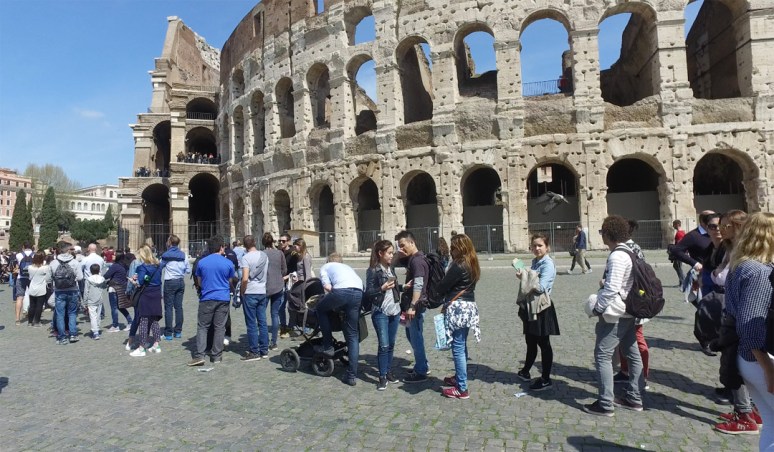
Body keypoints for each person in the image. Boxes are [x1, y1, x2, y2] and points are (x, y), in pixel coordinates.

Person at [583, 215, 644, 416]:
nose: (601, 235)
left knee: (602, 355)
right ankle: (634, 398)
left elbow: (611, 289)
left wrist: (597, 308)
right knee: (632, 353)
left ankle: (605, 403)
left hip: (616, 314)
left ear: (609, 233)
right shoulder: (630, 251)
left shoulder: (618, 255)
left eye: (602, 232)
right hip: (629, 312)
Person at [725, 212, 774, 449]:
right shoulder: (759, 272)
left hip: (747, 355)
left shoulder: (741, 264)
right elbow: (750, 322)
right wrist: (768, 368)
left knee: (772, 422)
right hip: (758, 358)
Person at [439, 234, 481, 399]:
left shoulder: (459, 265)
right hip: (468, 306)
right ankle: (459, 378)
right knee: (461, 345)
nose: (451, 250)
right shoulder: (472, 263)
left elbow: (443, 285)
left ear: (460, 248)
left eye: (453, 247)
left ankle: (462, 388)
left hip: (458, 307)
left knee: (457, 347)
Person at [516, 233, 559, 391]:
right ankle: (526, 371)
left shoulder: (547, 264)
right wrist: (524, 276)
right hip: (531, 305)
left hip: (541, 307)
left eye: (540, 245)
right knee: (530, 340)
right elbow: (531, 283)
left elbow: (540, 287)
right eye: (534, 245)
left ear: (547, 247)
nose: (536, 248)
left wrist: (526, 276)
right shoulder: (535, 261)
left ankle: (546, 378)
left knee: (544, 343)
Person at [314, 253, 364, 386]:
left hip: (342, 291)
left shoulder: (325, 266)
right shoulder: (347, 267)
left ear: (327, 260)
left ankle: (328, 345)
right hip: (358, 292)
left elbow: (327, 287)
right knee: (353, 335)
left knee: (320, 309)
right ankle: (352, 375)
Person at [188, 237, 237, 366]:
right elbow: (230, 281)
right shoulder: (228, 263)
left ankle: (200, 355)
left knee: (203, 327)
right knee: (220, 327)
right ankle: (216, 355)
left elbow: (199, 282)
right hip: (223, 297)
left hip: (207, 297)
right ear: (221, 247)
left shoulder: (202, 262)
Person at [615, 220, 651, 386]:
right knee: (623, 338)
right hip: (626, 300)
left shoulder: (632, 248)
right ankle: (625, 370)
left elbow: (639, 277)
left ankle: (642, 375)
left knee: (637, 337)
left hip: (634, 300)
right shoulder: (624, 248)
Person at [365, 240, 402, 390]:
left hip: (395, 310)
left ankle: (388, 372)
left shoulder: (390, 268)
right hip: (380, 311)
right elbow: (368, 292)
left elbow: (393, 288)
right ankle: (381, 376)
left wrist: (403, 287)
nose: (392, 255)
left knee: (391, 344)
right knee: (384, 344)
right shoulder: (373, 270)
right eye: (389, 253)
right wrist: (382, 288)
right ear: (380, 254)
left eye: (392, 252)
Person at [396, 230, 431, 383]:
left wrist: (412, 306)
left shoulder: (417, 261)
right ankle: (422, 364)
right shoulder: (413, 259)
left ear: (412, 242)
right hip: (415, 304)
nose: (401, 249)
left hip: (415, 306)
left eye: (403, 245)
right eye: (399, 246)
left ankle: (421, 371)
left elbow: (418, 284)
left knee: (416, 338)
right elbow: (395, 261)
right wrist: (400, 252)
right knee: (412, 336)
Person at [671, 210, 715, 297]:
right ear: (702, 221)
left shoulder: (716, 233)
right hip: (703, 277)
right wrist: (695, 263)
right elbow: (676, 250)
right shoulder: (693, 235)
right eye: (712, 218)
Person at [239, 235, 270, 362]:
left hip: (250, 292)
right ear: (255, 243)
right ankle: (264, 350)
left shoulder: (245, 258)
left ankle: (254, 351)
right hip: (262, 290)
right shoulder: (264, 256)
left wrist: (242, 290)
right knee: (262, 322)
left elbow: (245, 278)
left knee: (251, 323)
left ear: (245, 246)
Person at [130, 245, 163, 357]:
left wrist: (134, 281)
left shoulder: (142, 267)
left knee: (143, 319)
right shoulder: (158, 265)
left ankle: (142, 347)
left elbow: (140, 283)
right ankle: (156, 344)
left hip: (146, 294)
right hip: (156, 293)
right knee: (154, 319)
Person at [160, 235, 189, 340]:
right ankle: (178, 332)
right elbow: (188, 270)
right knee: (179, 307)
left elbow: (160, 267)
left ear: (170, 243)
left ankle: (168, 333)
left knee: (168, 308)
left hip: (170, 282)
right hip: (180, 281)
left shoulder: (166, 255)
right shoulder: (183, 255)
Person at [262, 233, 287, 350]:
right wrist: (278, 275)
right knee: (275, 314)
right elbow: (284, 269)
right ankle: (274, 342)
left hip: (265, 287)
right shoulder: (279, 253)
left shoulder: (262, 254)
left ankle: (264, 341)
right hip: (278, 286)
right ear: (272, 242)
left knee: (262, 314)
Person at [103, 253, 133, 332]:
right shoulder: (125, 266)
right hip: (122, 288)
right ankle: (130, 321)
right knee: (121, 306)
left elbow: (106, 275)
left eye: (114, 255)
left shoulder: (115, 266)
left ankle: (115, 325)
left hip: (114, 288)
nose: (112, 255)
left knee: (114, 308)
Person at [83, 263, 108, 340]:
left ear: (90, 271)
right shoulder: (102, 278)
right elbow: (104, 286)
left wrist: (85, 302)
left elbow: (86, 291)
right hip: (99, 299)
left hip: (91, 300)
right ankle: (97, 327)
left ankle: (95, 332)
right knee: (98, 315)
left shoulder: (88, 279)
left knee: (92, 316)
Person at [26, 251, 50, 327]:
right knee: (39, 306)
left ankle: (30, 322)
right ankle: (37, 321)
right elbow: (47, 278)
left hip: (32, 287)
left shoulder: (30, 267)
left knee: (32, 305)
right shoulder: (45, 268)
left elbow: (30, 277)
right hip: (41, 288)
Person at [14, 242, 34, 325]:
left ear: (23, 247)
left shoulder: (19, 255)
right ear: (32, 247)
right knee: (33, 298)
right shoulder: (34, 254)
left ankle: (17, 319)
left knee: (19, 298)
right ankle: (32, 318)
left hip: (21, 278)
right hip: (32, 278)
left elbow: (16, 267)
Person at [671, 219, 687, 286]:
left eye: (674, 225)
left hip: (679, 252)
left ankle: (683, 281)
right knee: (676, 266)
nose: (673, 226)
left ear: (677, 224)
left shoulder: (679, 233)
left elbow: (680, 243)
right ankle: (682, 281)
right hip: (680, 252)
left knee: (678, 266)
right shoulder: (682, 232)